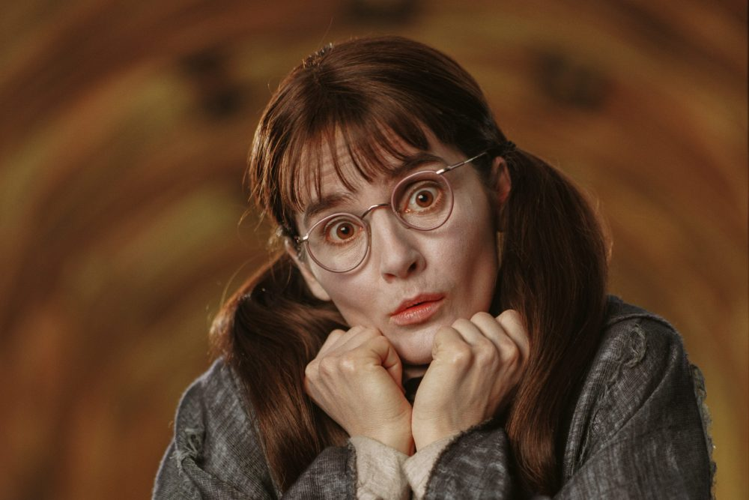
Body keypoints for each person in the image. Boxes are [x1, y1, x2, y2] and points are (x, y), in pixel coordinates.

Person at [153, 36, 714, 499]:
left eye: (422, 197)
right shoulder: (236, 407)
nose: (398, 259)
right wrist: (374, 455)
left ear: (497, 189)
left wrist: (451, 445)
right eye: (342, 231)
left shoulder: (623, 369)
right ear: (307, 268)